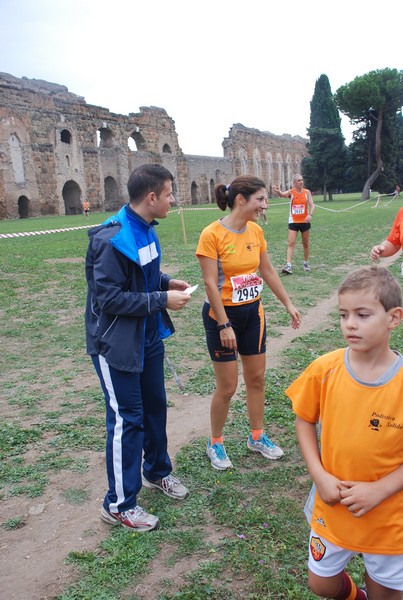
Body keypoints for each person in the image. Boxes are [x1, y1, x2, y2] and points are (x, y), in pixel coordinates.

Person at [85, 163, 191, 532]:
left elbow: (141, 276)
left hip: (147, 339)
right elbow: (111, 298)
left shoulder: (145, 229)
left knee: (155, 408)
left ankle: (156, 471)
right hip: (116, 346)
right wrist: (161, 299)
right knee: (127, 421)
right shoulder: (110, 239)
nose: (172, 200)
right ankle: (118, 504)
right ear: (151, 198)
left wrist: (165, 281)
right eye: (169, 194)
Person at [286, 266, 403, 599]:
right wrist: (319, 475)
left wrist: (380, 489)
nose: (350, 323)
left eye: (363, 314)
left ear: (393, 318)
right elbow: (304, 419)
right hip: (333, 508)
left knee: (386, 593)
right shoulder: (325, 368)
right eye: (343, 314)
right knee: (321, 584)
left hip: (388, 517)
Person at [195, 175, 301, 470]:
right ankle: (215, 442)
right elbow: (210, 284)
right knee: (227, 388)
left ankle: (257, 436)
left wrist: (288, 304)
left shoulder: (254, 231)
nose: (265, 206)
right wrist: (224, 324)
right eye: (260, 200)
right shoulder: (211, 234)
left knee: (256, 379)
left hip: (253, 314)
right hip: (221, 317)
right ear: (241, 200)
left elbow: (267, 271)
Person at [273, 174, 315, 274]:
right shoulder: (291, 192)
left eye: (302, 180)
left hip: (305, 221)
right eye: (299, 180)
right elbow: (282, 194)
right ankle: (288, 266)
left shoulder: (307, 192)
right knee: (291, 243)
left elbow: (312, 205)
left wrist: (310, 215)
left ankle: (305, 263)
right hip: (293, 222)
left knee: (305, 243)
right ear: (294, 183)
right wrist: (278, 191)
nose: (301, 182)